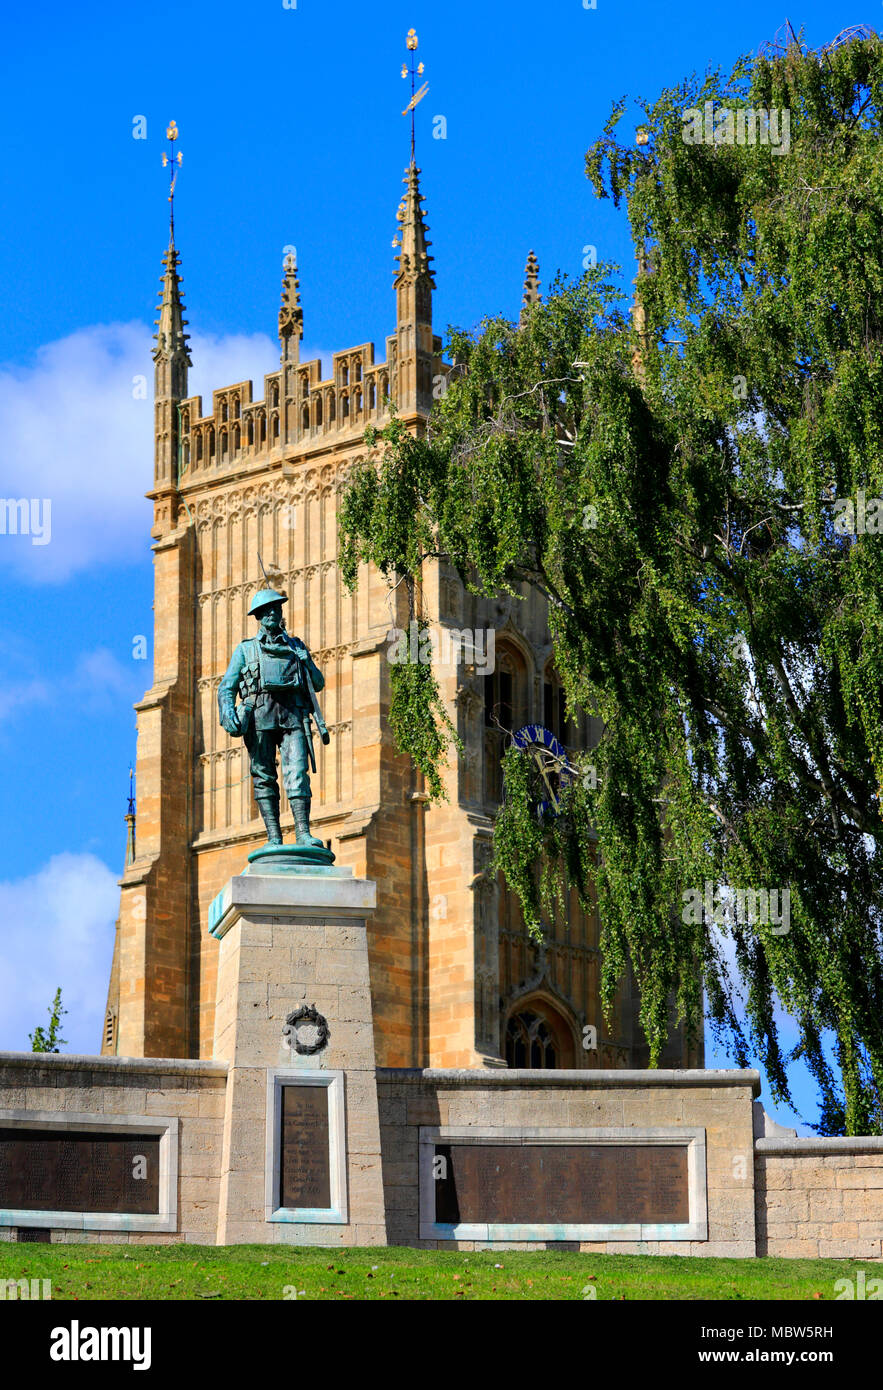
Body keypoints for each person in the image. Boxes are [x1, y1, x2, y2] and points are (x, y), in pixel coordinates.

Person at [218, 587, 327, 847]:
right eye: (266, 610)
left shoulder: (297, 646)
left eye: (276, 609)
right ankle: (274, 837)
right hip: (259, 716)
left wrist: (308, 662)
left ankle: (303, 832)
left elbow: (319, 683)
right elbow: (226, 687)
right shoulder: (245, 650)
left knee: (298, 773)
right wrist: (228, 712)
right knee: (264, 775)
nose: (271, 613)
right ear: (257, 616)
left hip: (293, 716)